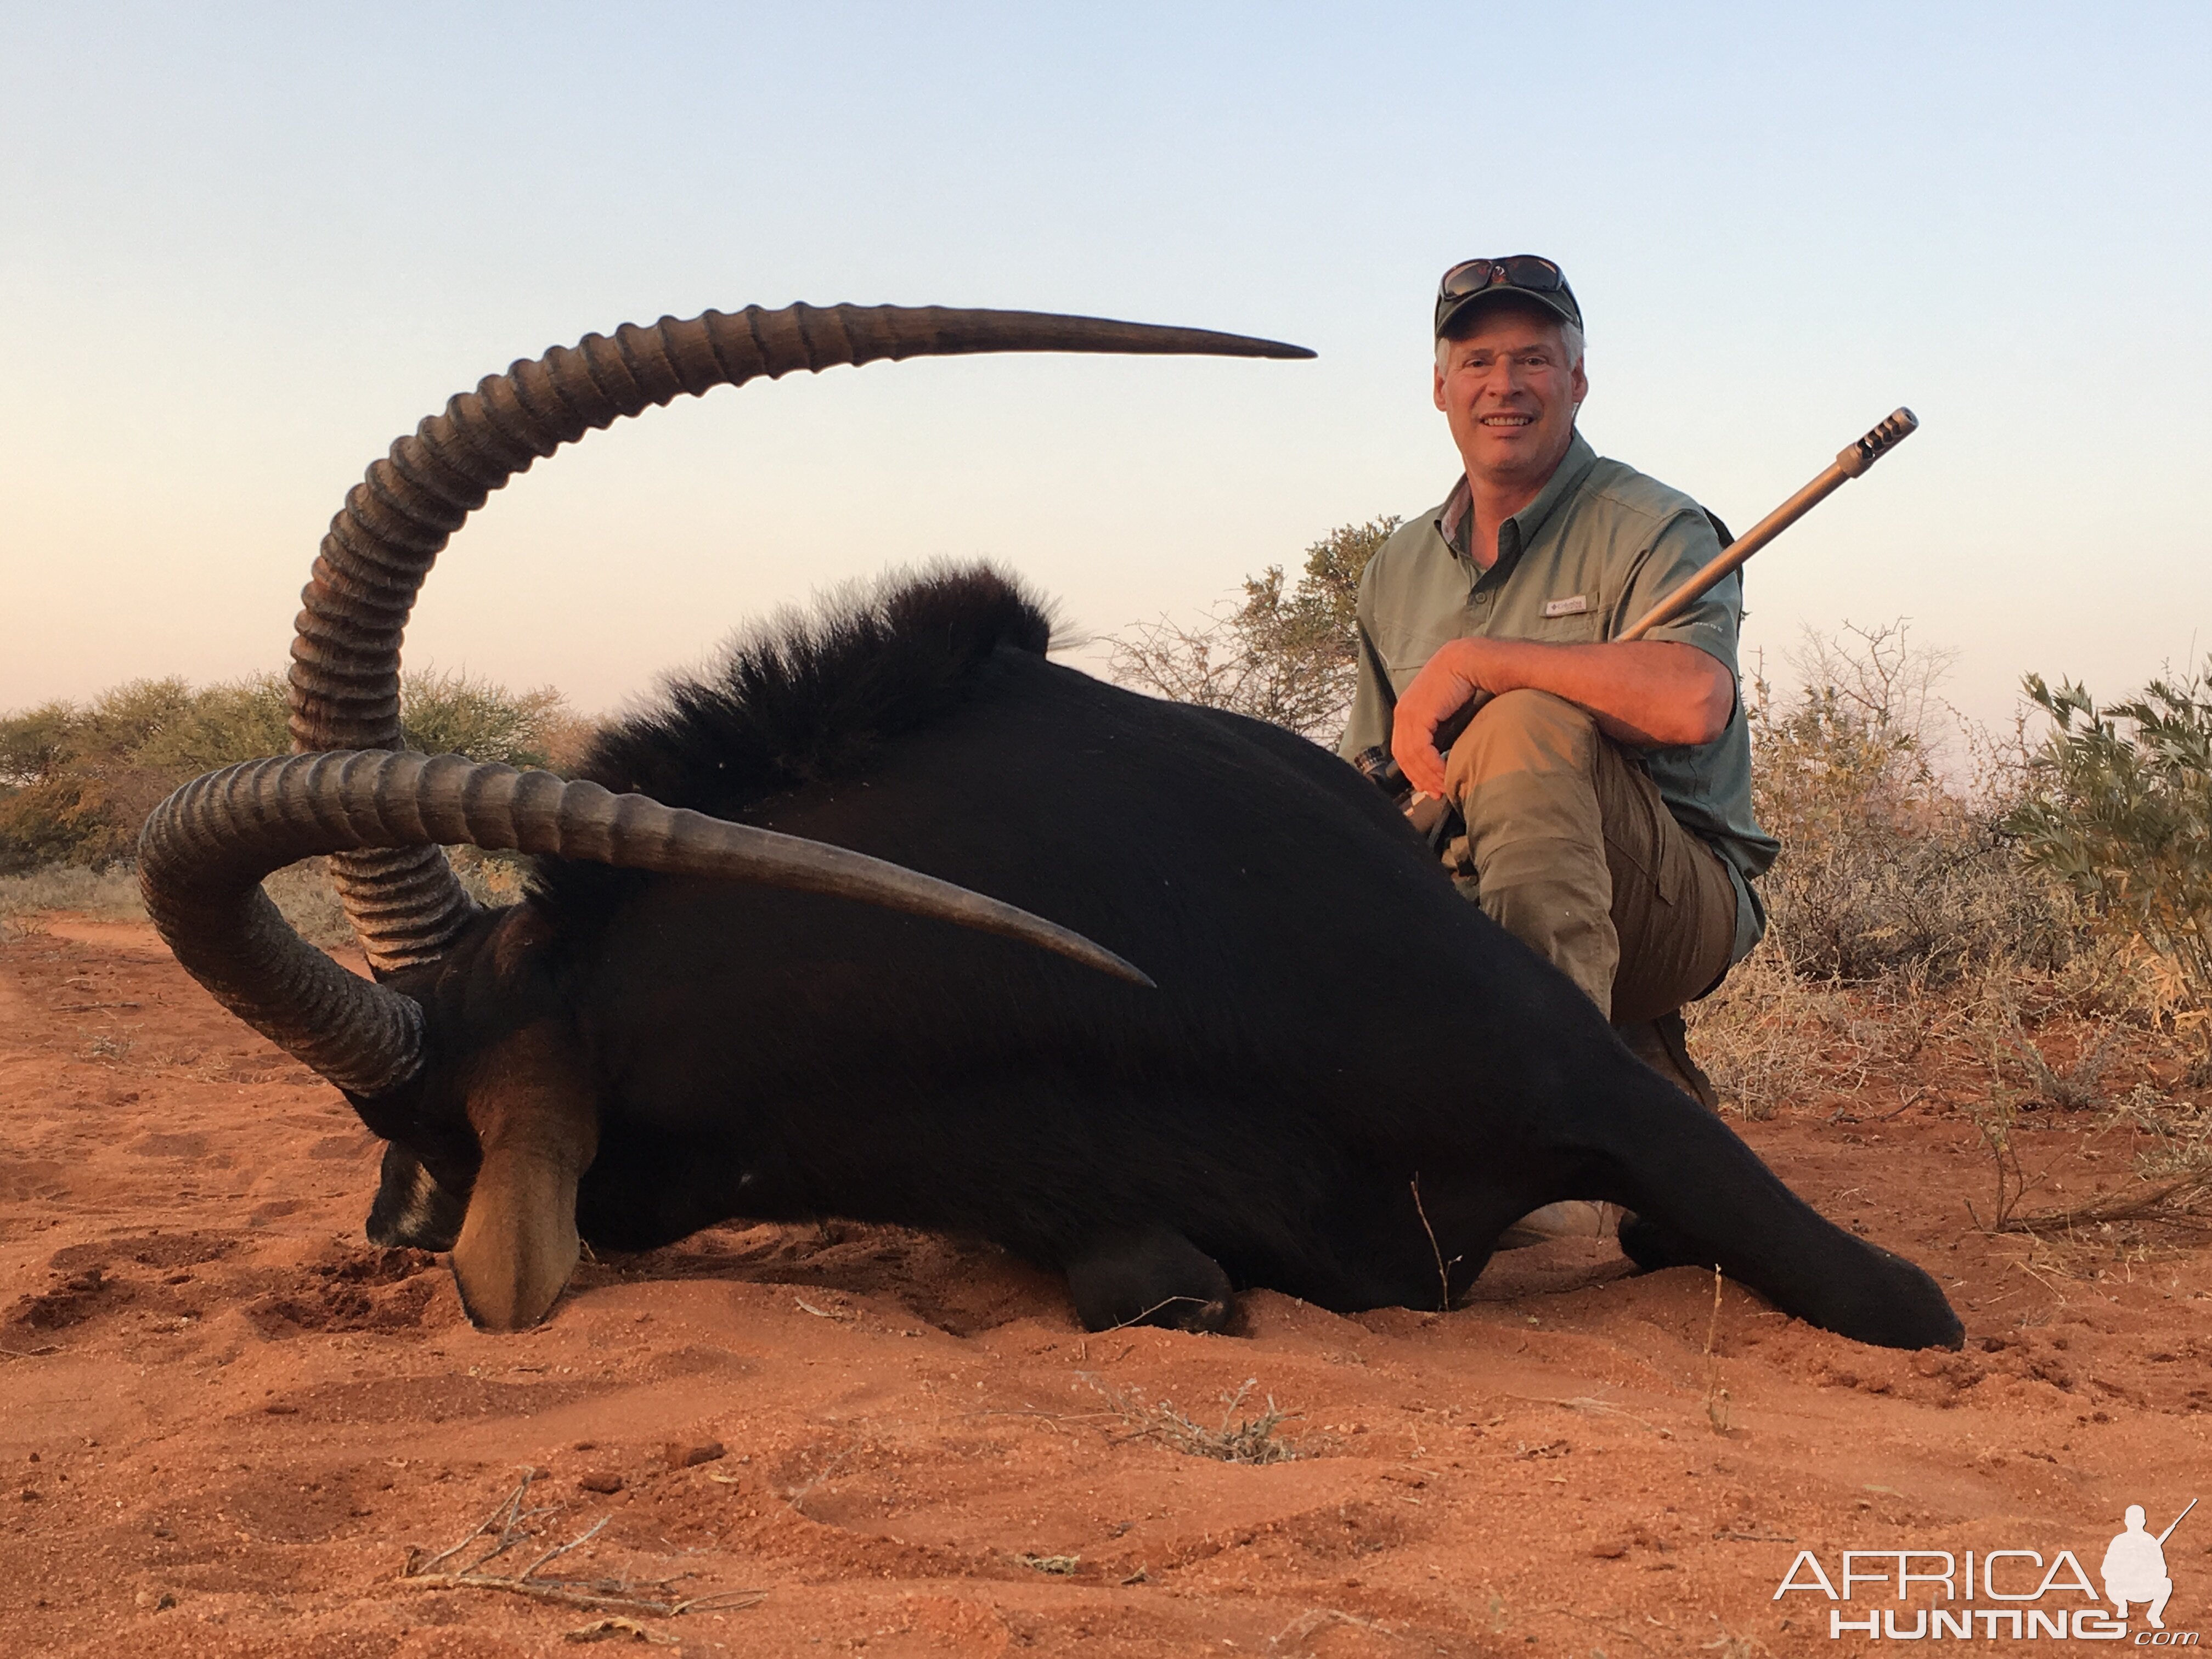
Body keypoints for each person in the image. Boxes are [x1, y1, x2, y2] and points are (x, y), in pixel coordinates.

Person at [1340, 255, 1778, 1165]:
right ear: (1439, 386)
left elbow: (1695, 701)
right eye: (1477, 361)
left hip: (1666, 900)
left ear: (1576, 378)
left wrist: (1484, 660)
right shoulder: (1393, 568)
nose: (1504, 385)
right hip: (1461, 897)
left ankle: (1556, 1150)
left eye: (1532, 359)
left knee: (1522, 722)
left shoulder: (1654, 523)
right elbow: (1368, 780)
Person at [2102, 1505, 2176, 1628]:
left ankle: (2154, 1615)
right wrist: (2124, 1571)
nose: (2135, 1524)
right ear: (2126, 1522)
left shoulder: (2151, 1542)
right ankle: (2122, 1605)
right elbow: (2106, 1570)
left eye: (2138, 1520)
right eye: (2132, 1520)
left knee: (2166, 1583)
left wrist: (2146, 1569)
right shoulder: (2119, 1541)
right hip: (2123, 1588)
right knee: (2110, 1583)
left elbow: (2162, 1570)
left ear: (2144, 1522)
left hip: (2144, 1588)